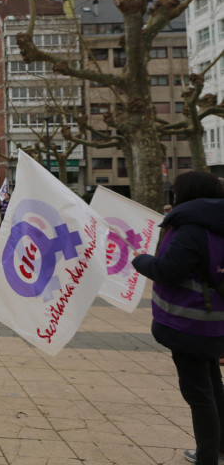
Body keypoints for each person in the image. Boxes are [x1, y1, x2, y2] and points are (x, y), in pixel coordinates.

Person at [132, 171, 224, 465]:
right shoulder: (217, 224)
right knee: (212, 385)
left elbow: (168, 271)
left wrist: (140, 259)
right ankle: (220, 447)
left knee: (199, 394)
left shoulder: (191, 229)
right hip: (214, 322)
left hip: (188, 324)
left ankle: (207, 457)